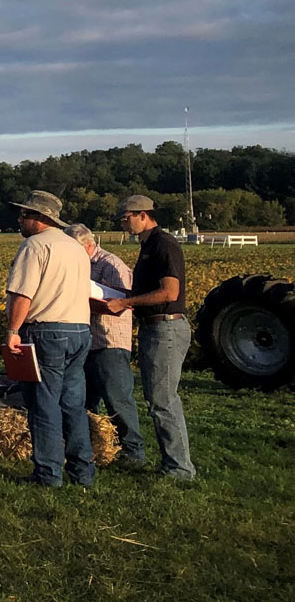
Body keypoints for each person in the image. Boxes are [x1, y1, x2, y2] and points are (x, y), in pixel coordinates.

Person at [5, 191, 93, 488]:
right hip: (80, 330)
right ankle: (83, 473)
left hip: (46, 332)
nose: (20, 220)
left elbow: (22, 295)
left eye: (25, 215)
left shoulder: (34, 246)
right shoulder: (76, 247)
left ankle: (48, 474)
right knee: (73, 405)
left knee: (44, 404)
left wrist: (13, 331)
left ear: (40, 218)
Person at [104, 194, 195, 481]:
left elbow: (169, 293)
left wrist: (126, 303)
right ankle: (173, 464)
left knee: (163, 400)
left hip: (165, 327)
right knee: (158, 399)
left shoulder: (163, 244)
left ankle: (180, 468)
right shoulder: (149, 245)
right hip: (154, 327)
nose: (124, 223)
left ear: (143, 215)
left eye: (126, 217)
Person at [68, 222, 148, 469]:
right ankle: (90, 446)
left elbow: (124, 299)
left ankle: (133, 452)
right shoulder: (79, 264)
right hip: (87, 339)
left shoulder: (111, 265)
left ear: (89, 245)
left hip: (109, 340)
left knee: (117, 398)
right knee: (84, 399)